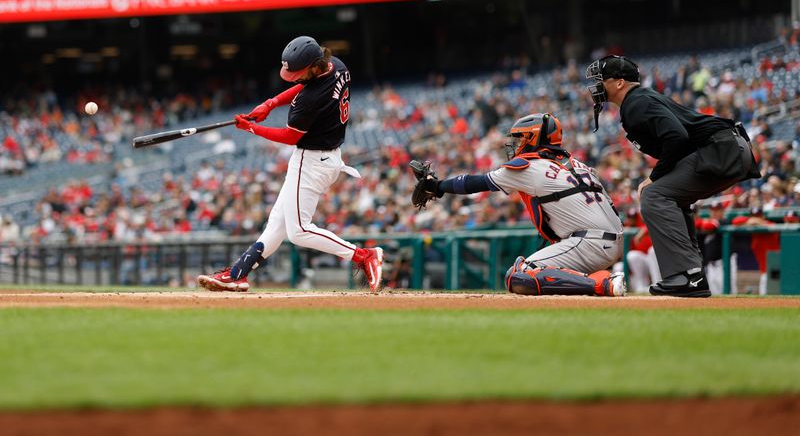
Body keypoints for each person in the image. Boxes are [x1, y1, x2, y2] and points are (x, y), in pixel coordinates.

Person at [197, 36, 384, 293]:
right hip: (326, 157)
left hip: (311, 161)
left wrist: (252, 128)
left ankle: (364, 256)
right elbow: (303, 85)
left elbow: (290, 135)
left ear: (314, 66)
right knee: (277, 224)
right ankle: (237, 274)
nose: (294, 78)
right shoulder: (336, 65)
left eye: (298, 73)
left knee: (298, 232)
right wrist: (271, 103)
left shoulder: (309, 100)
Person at [585, 55, 760, 297]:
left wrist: (654, 177)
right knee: (669, 196)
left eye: (601, 80)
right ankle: (692, 273)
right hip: (725, 148)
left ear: (619, 83)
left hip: (721, 149)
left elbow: (677, 137)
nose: (597, 86)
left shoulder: (636, 102)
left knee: (654, 194)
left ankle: (688, 275)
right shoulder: (639, 100)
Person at [411, 113, 625, 297]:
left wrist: (438, 186)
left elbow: (475, 182)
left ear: (534, 138)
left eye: (521, 138)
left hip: (590, 242)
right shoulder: (579, 165)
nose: (516, 144)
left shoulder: (530, 166)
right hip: (613, 240)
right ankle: (599, 282)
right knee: (530, 273)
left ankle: (602, 284)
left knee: (520, 274)